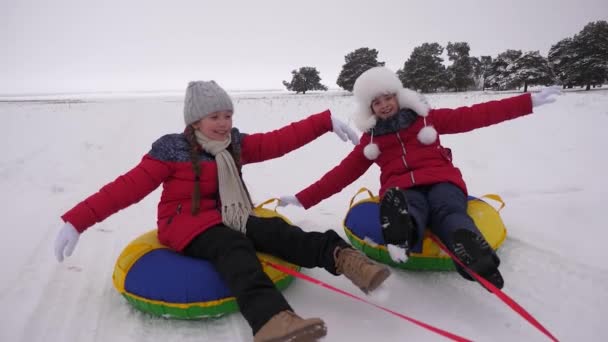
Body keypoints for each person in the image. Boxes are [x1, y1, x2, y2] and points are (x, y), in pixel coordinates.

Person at [54, 80, 391, 342]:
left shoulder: (235, 145)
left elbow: (278, 141)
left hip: (233, 214)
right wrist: (78, 221)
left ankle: (347, 260)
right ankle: (272, 320)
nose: (223, 123)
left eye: (227, 115)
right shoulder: (171, 151)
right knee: (235, 248)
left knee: (276, 232)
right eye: (214, 117)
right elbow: (125, 188)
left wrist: (323, 122)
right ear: (195, 120)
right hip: (186, 224)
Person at [279, 67, 560, 290]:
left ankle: (471, 251)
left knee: (448, 208)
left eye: (388, 98)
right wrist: (304, 197)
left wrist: (528, 101)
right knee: (409, 206)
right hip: (401, 189)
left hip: (442, 180)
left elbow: (477, 114)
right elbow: (341, 174)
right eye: (376, 102)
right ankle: (403, 230)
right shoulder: (371, 141)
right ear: (370, 108)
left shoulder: (427, 119)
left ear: (398, 96)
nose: (384, 105)